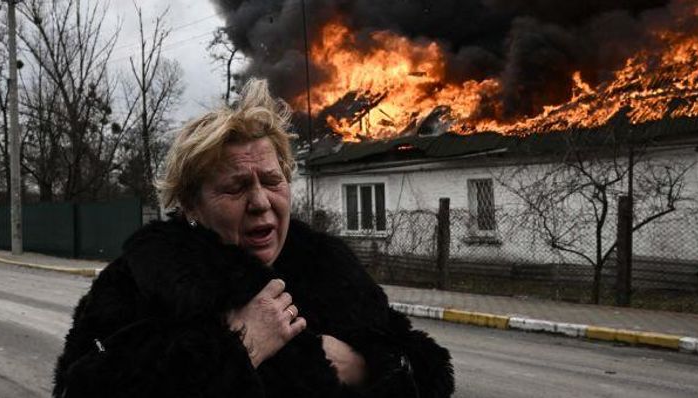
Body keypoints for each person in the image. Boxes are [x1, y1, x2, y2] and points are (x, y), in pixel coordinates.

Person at [53, 79, 454, 397]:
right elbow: (81, 387)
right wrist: (240, 348)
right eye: (236, 187)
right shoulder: (142, 282)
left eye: (272, 180)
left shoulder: (330, 270)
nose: (260, 201)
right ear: (191, 205)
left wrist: (365, 366)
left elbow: (426, 367)